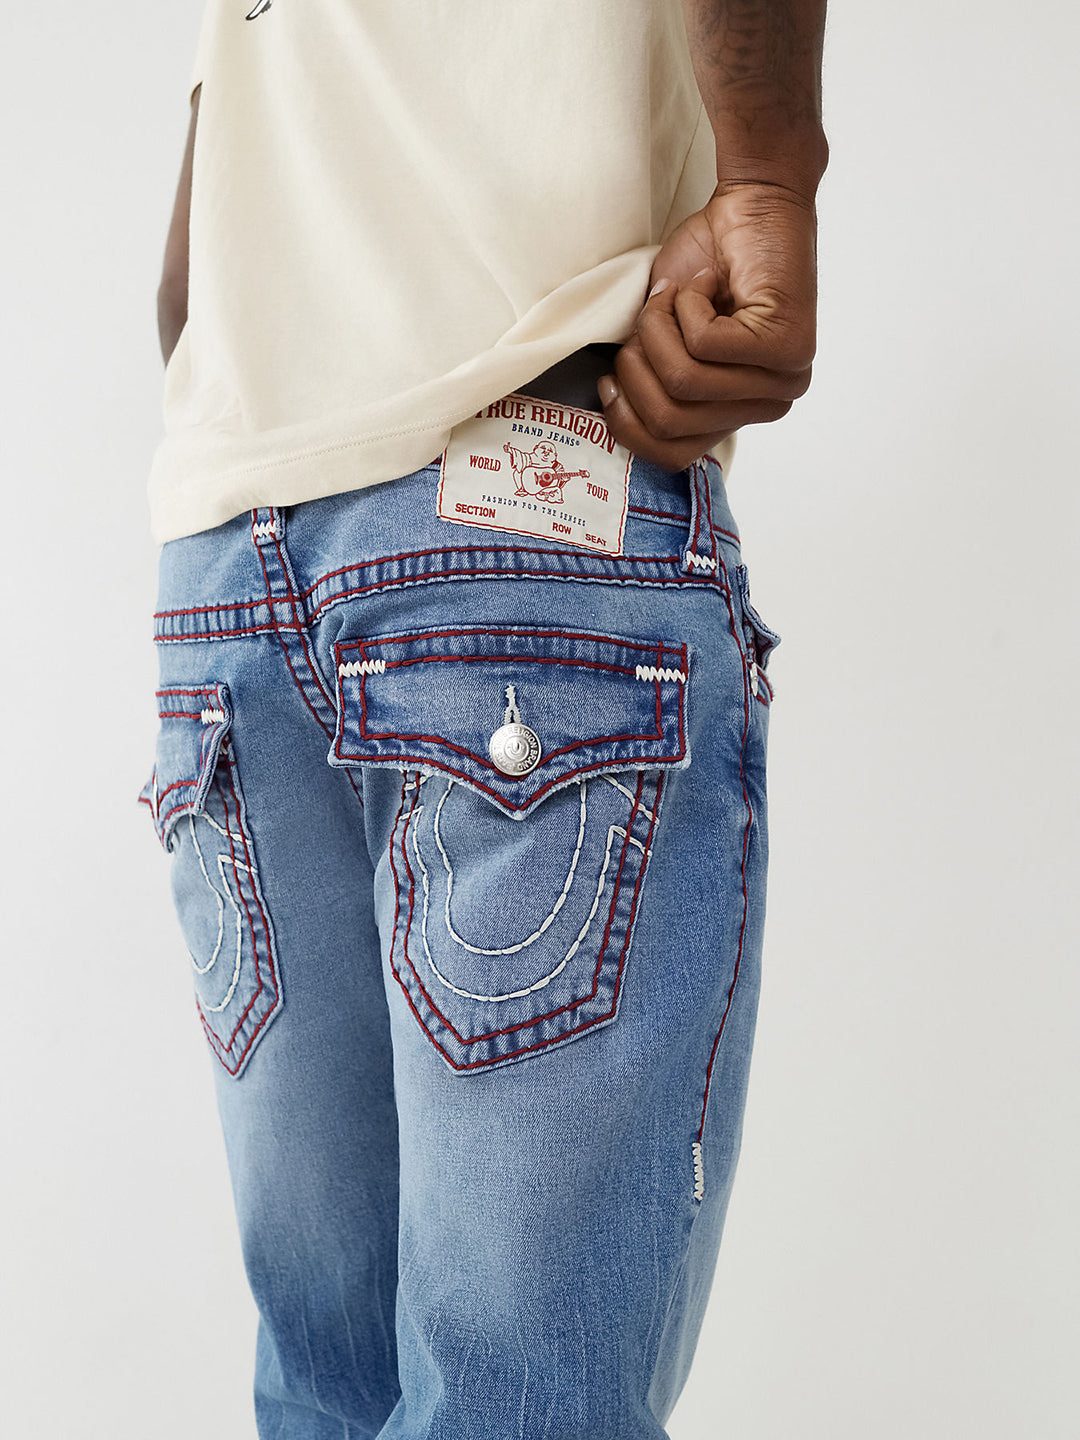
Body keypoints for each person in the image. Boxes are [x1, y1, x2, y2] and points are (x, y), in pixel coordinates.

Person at [143, 2, 827, 1436]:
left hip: (230, 559)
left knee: (328, 1382)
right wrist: (767, 177)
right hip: (522, 508)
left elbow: (185, 281)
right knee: (520, 1405)